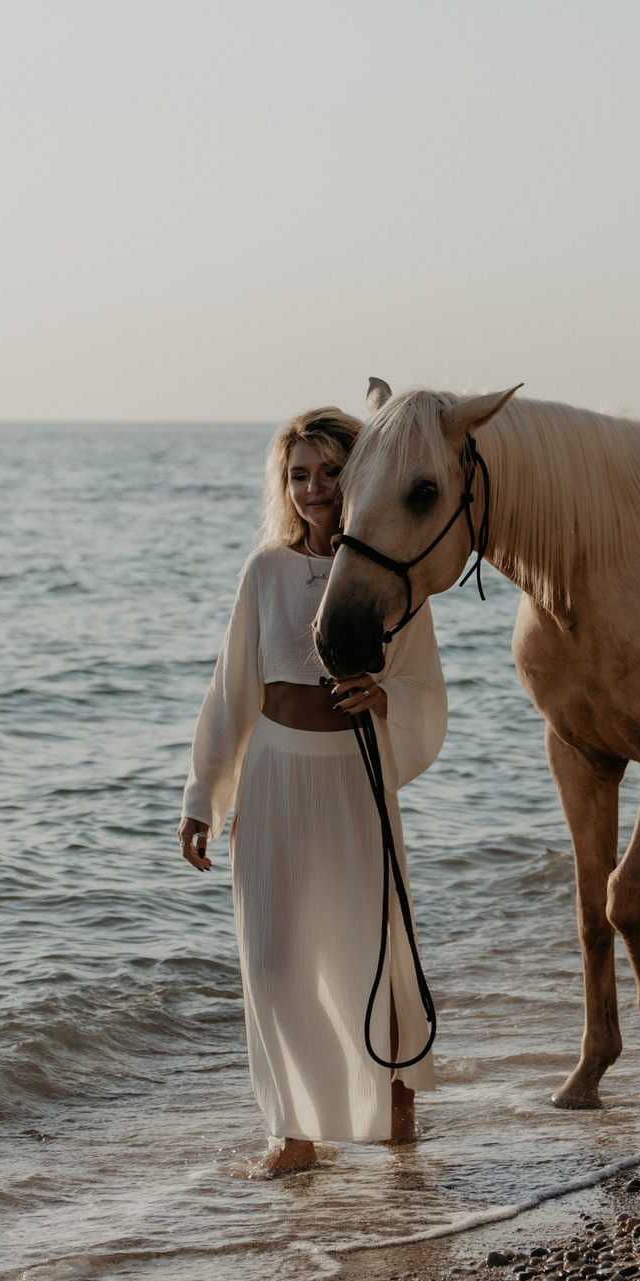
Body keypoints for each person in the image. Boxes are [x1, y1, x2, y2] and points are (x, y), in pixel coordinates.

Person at [178, 408, 448, 1176]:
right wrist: (203, 795)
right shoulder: (264, 571)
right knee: (273, 959)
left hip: (354, 777)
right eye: (299, 474)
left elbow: (424, 686)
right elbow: (232, 691)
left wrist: (386, 699)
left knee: (373, 949)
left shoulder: (392, 576)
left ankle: (397, 1109)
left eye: (330, 471)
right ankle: (295, 1134)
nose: (315, 487)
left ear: (357, 475)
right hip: (273, 778)